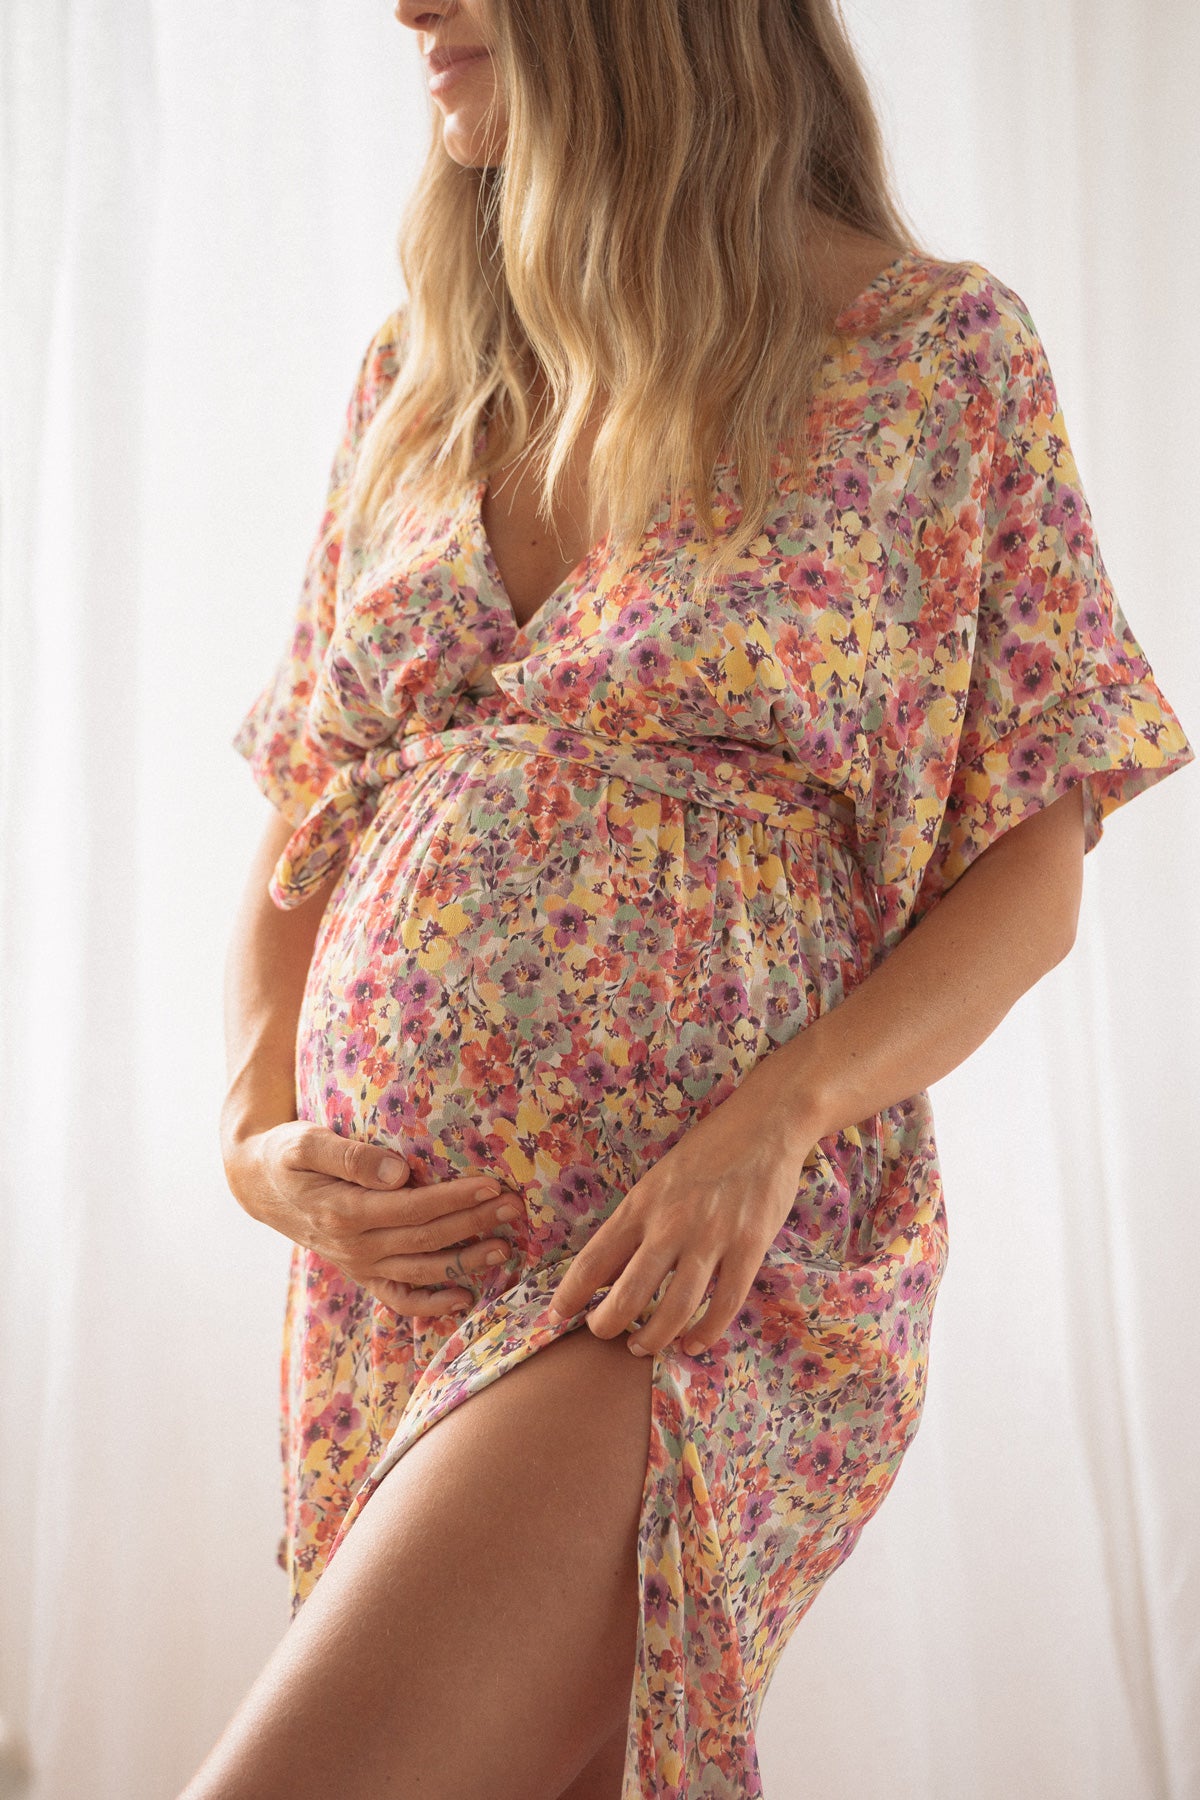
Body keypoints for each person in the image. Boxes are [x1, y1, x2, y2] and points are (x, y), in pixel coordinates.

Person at [184, 2, 1195, 1796]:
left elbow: (1033, 871)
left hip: (679, 1276)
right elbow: (304, 809)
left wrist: (779, 1119)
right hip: (386, 1290)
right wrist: (255, 1128)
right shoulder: (423, 374)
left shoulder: (927, 357)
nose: (406, 6)